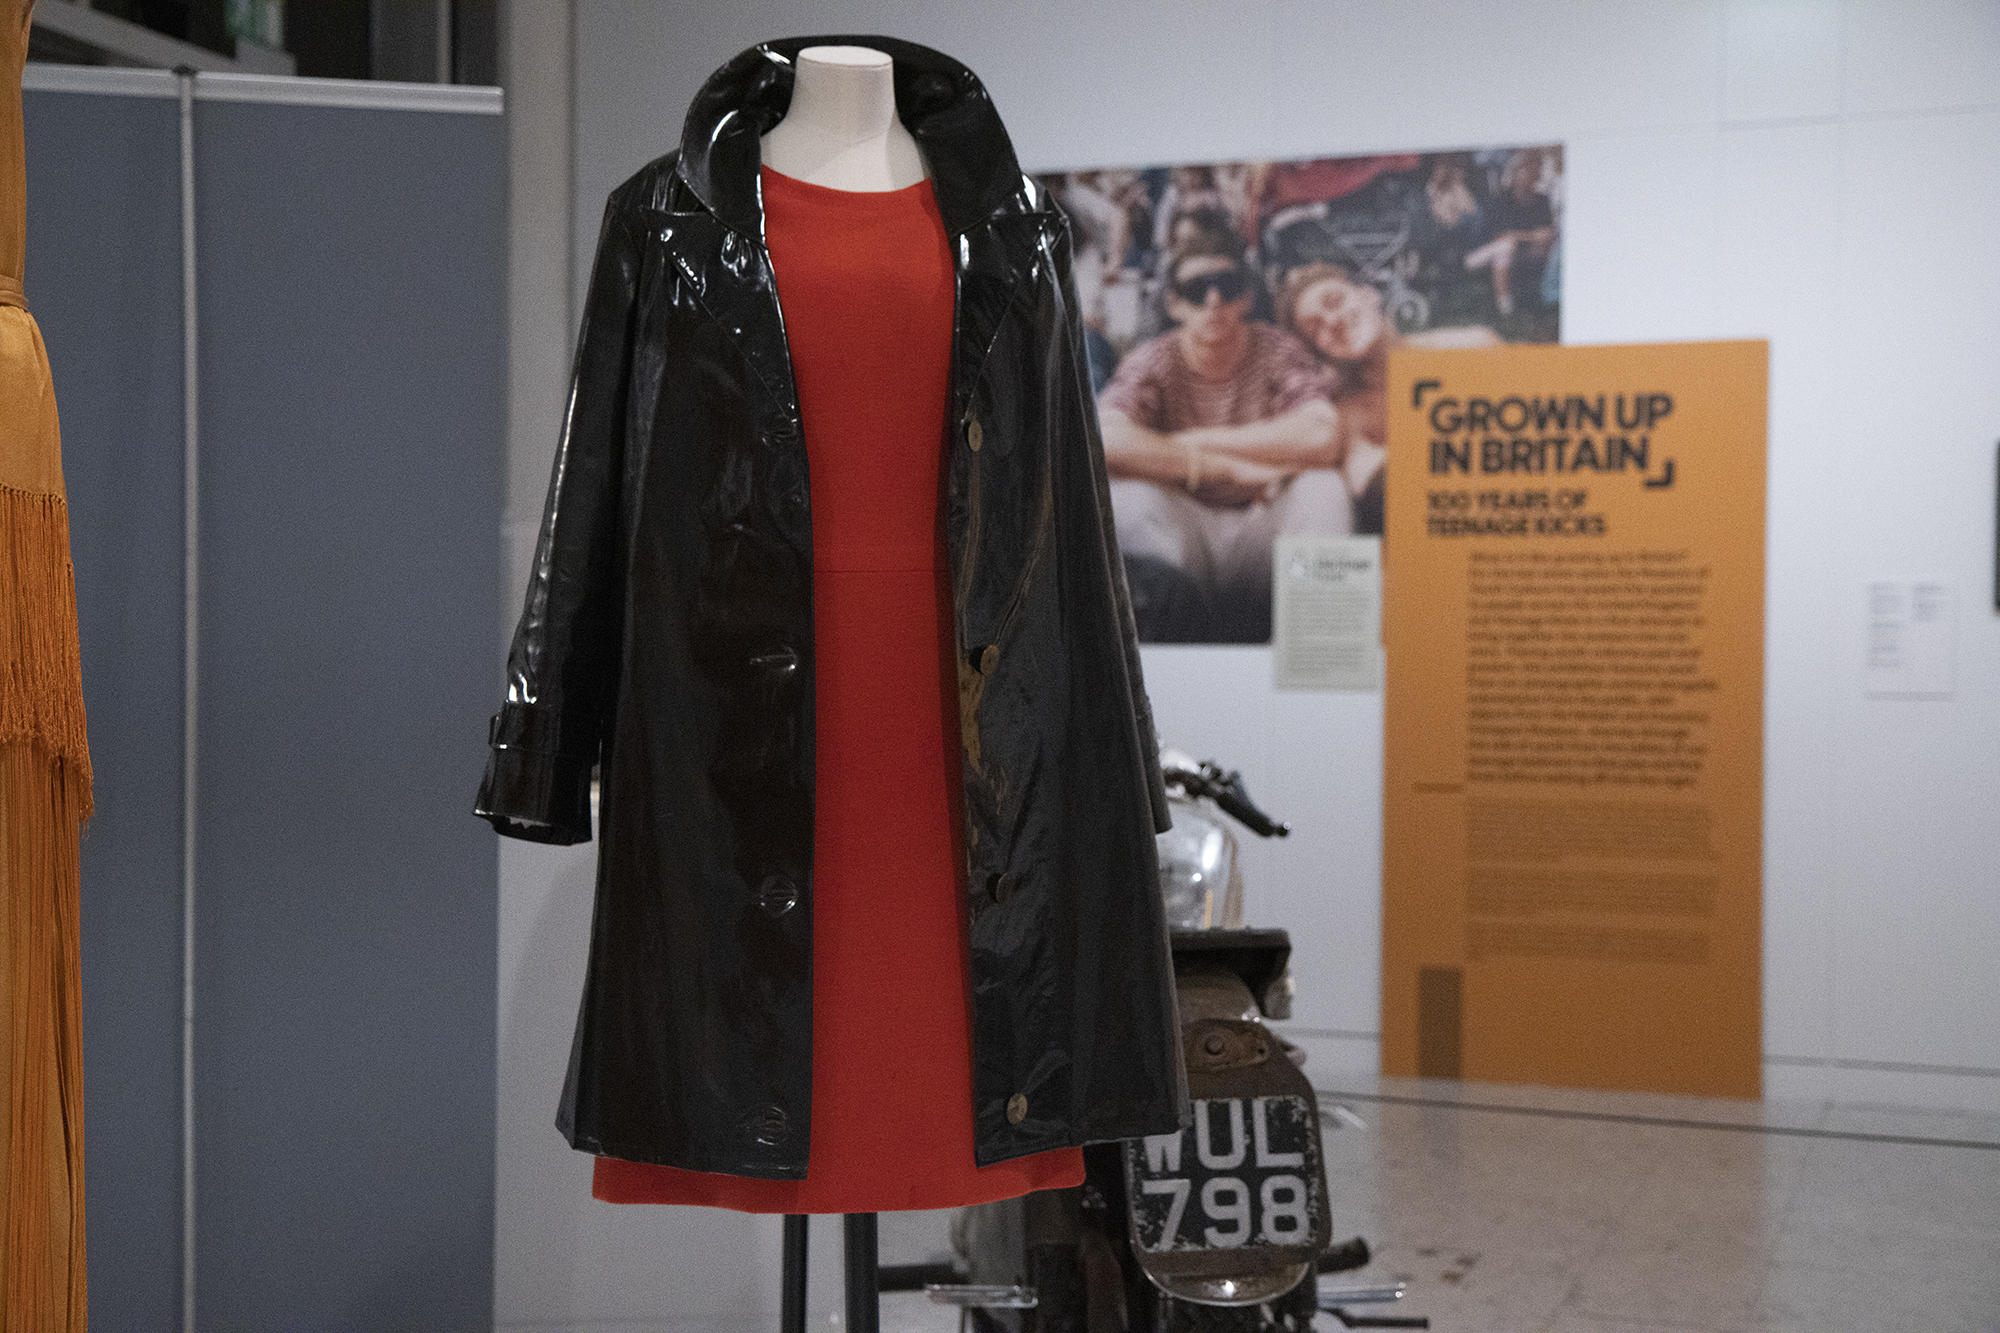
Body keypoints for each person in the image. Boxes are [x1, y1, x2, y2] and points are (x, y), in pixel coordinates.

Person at [1098, 235, 1348, 641]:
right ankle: (1175, 639)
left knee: (1323, 489)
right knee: (1126, 501)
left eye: (1226, 286)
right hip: (1185, 529)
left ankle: (1313, 649)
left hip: (1260, 522)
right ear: (1174, 305)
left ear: (1246, 298)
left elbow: (1321, 434)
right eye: (1196, 291)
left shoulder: (1275, 349)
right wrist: (1222, 468)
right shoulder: (1154, 360)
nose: (1213, 301)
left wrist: (1194, 441)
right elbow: (1106, 439)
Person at [1278, 261, 1500, 533]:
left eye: (1335, 301)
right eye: (1315, 328)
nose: (1332, 322)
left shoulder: (1473, 349)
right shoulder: (1347, 418)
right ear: (1320, 349)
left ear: (1369, 294)